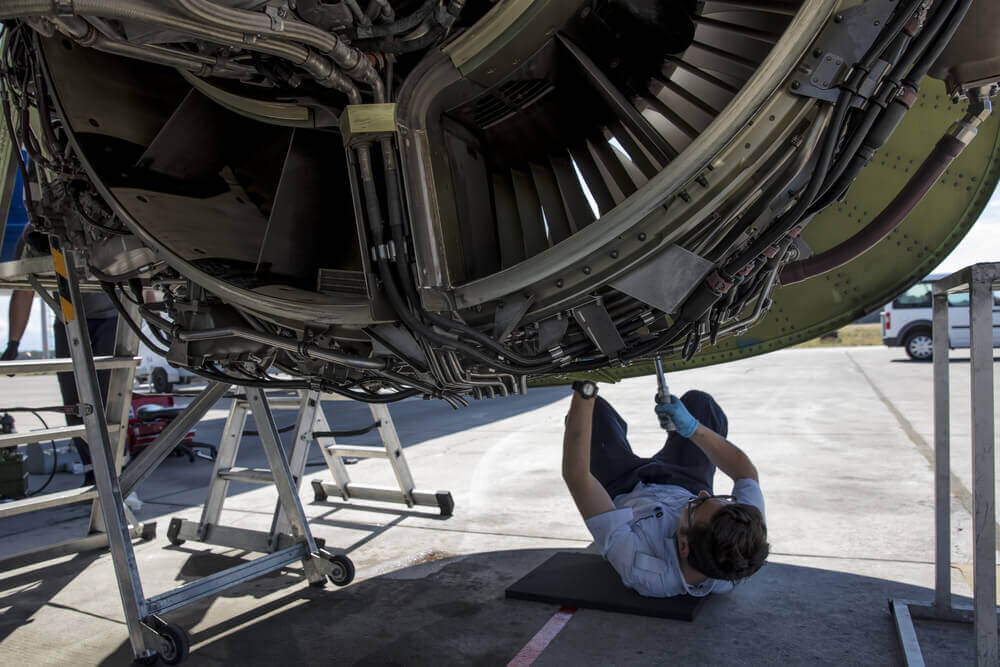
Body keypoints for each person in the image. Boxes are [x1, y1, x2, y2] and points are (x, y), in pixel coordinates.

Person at [561, 379, 769, 598]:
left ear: (683, 545)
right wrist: (692, 427)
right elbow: (746, 474)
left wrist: (585, 392)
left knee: (592, 415)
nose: (704, 494)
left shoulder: (642, 568)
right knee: (701, 404)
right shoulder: (744, 536)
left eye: (697, 505)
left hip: (624, 487)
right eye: (720, 499)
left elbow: (578, 478)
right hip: (684, 480)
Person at [3, 225, 118, 486]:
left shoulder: (106, 221)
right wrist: (13, 343)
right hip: (69, 320)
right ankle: (92, 471)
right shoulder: (33, 235)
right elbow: (24, 288)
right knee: (75, 403)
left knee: (108, 400)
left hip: (113, 315)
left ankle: (116, 470)